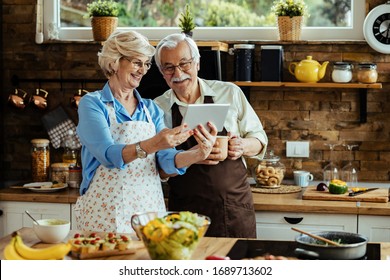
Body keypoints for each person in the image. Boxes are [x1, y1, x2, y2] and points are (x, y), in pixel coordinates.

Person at [74, 30, 217, 233]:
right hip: (104, 213)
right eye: (136, 62)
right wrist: (154, 143)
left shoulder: (151, 109)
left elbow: (165, 161)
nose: (143, 70)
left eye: (146, 64)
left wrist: (197, 154)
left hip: (148, 213)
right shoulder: (93, 104)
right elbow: (108, 155)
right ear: (115, 62)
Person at [154, 33, 268, 238]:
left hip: (232, 208)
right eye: (168, 67)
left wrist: (242, 145)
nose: (178, 73)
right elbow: (158, 169)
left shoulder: (230, 93)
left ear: (197, 63)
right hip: (184, 213)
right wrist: (191, 156)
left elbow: (259, 139)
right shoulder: (157, 109)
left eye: (184, 63)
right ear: (161, 72)